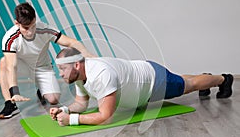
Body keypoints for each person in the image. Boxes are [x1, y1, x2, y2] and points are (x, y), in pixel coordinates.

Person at [50, 47, 234, 126]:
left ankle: (223, 80)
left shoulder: (100, 74)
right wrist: (64, 109)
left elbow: (105, 116)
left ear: (76, 65)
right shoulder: (81, 75)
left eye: (62, 69)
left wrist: (71, 120)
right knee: (182, 80)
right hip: (144, 71)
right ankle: (207, 79)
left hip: (154, 81)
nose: (60, 74)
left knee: (188, 85)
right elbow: (81, 104)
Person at [0, 2, 94, 119]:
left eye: (33, 26)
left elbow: (71, 42)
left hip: (42, 68)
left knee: (53, 99)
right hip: (22, 66)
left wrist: (88, 54)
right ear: (17, 23)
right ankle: (10, 103)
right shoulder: (10, 37)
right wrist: (15, 92)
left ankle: (41, 91)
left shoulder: (45, 29)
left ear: (35, 19)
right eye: (26, 28)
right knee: (4, 62)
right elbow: (11, 66)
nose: (30, 32)